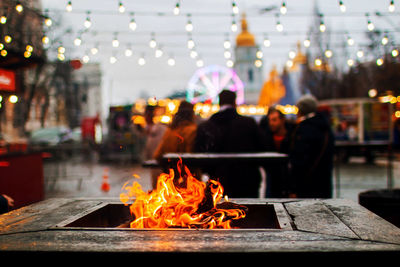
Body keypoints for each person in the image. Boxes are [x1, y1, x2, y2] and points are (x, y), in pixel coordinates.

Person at [195, 90, 265, 198]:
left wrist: (210, 170)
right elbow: (261, 147)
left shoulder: (206, 126)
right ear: (234, 102)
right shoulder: (249, 123)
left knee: (220, 212)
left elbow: (199, 153)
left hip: (218, 180)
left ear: (219, 103)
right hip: (247, 179)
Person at [289, 95, 334, 198]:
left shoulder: (303, 130)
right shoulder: (326, 128)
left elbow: (299, 161)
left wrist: (293, 187)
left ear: (301, 111)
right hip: (324, 183)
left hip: (306, 185)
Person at [259, 107, 294, 197]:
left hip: (289, 183)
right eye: (270, 120)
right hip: (272, 182)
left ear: (282, 120)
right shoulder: (266, 138)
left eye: (274, 120)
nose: (271, 123)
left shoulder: (293, 137)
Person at [153, 101, 197, 165]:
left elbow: (157, 155)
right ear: (191, 114)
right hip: (189, 173)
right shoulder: (192, 131)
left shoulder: (169, 132)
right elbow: (191, 156)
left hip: (171, 173)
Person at [143, 105, 167, 188]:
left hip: (160, 161)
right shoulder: (147, 130)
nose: (146, 117)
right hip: (154, 161)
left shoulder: (161, 129)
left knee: (160, 186)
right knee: (156, 186)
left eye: (147, 114)